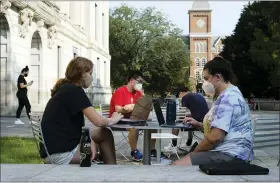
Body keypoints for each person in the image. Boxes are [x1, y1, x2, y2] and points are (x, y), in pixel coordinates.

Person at [40, 57, 123, 164]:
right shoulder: (75, 91)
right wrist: (113, 119)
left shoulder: (67, 88)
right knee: (103, 135)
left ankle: (110, 170)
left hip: (55, 149)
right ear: (83, 74)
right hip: (61, 154)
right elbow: (98, 121)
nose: (91, 77)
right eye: (91, 73)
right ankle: (112, 173)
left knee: (103, 133)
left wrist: (90, 140)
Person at [172, 56, 254, 166]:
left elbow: (215, 137)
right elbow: (219, 129)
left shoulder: (227, 98)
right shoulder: (232, 93)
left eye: (206, 78)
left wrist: (193, 153)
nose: (204, 82)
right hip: (236, 153)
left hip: (230, 154)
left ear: (217, 77)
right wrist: (198, 124)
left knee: (176, 165)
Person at [110, 71, 165, 161]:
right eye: (139, 82)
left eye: (142, 82)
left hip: (134, 119)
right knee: (134, 127)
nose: (141, 84)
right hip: (119, 120)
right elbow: (118, 109)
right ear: (132, 80)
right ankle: (134, 151)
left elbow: (141, 107)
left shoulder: (138, 93)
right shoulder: (120, 91)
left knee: (154, 126)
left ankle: (152, 150)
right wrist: (128, 108)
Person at [163, 87, 209, 152]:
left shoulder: (185, 97)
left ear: (181, 93)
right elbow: (198, 111)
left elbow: (182, 112)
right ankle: (189, 143)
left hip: (197, 121)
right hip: (205, 120)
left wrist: (178, 118)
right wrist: (187, 115)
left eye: (179, 95)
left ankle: (173, 146)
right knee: (188, 118)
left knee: (176, 123)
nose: (180, 97)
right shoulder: (198, 95)